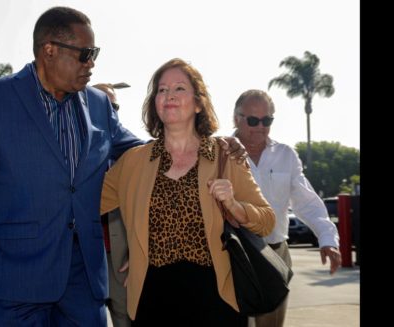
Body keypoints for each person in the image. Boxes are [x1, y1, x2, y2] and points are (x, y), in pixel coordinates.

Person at [0, 7, 145, 326]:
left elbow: (140, 151)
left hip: (83, 280)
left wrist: (207, 144)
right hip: (19, 279)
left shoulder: (98, 106)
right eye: (85, 54)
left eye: (94, 54)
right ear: (49, 50)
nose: (92, 64)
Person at [100, 58, 276, 326]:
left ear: (198, 103)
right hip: (151, 299)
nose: (169, 94)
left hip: (216, 298)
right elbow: (84, 204)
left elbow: (266, 220)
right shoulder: (132, 162)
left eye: (179, 88)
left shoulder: (226, 155)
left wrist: (235, 206)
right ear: (155, 103)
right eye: (162, 89)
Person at [231, 89, 341, 327]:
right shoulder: (219, 152)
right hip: (231, 253)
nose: (260, 126)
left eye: (267, 120)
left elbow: (307, 202)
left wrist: (328, 239)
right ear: (236, 119)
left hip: (275, 252)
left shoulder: (286, 155)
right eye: (253, 120)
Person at [93, 83, 131, 327]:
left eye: (114, 105)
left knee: (125, 317)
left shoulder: (131, 153)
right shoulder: (70, 149)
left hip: (121, 259)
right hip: (84, 257)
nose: (111, 111)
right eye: (104, 105)